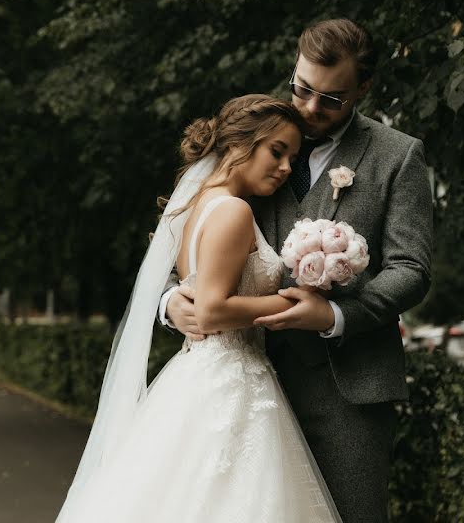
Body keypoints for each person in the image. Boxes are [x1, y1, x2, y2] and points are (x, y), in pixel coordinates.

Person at [162, 19, 433, 523]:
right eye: (302, 88)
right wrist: (174, 298)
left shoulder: (398, 156)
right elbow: (195, 226)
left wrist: (335, 314)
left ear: (363, 89)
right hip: (244, 383)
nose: (310, 108)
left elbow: (411, 268)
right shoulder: (256, 134)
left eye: (332, 99)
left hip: (348, 387)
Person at [57, 95, 342, 522]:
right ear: (237, 144)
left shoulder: (196, 205)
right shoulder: (233, 211)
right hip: (231, 374)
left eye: (293, 157)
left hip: (199, 372)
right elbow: (210, 310)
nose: (285, 168)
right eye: (276, 151)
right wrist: (293, 301)